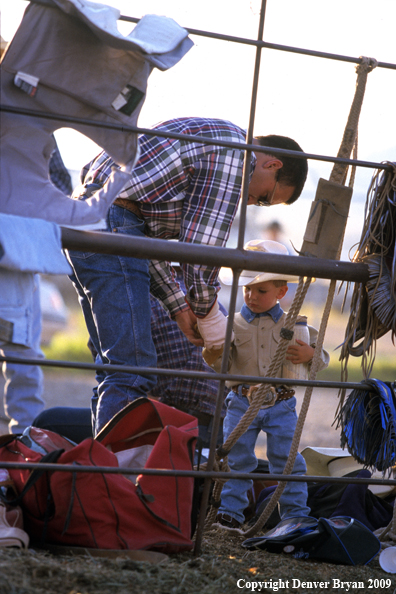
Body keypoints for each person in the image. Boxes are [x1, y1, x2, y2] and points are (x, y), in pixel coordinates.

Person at [66, 116, 308, 435]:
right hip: (112, 225)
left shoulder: (210, 139)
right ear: (272, 165)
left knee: (115, 369)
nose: (252, 203)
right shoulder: (237, 154)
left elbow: (142, 235)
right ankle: (113, 478)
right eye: (264, 197)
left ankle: (104, 466)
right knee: (130, 371)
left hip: (88, 221)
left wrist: (180, 307)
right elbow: (201, 249)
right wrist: (210, 321)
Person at [203, 239, 330, 530]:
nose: (252, 296)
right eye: (248, 288)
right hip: (242, 401)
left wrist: (311, 355)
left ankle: (296, 515)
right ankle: (231, 515)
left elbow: (321, 355)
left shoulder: (295, 323)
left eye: (261, 290)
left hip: (281, 403)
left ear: (281, 292)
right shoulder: (231, 324)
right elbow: (218, 362)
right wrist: (212, 350)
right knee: (238, 458)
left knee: (287, 461)